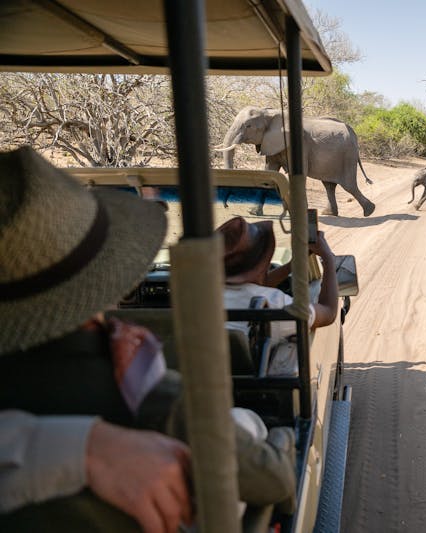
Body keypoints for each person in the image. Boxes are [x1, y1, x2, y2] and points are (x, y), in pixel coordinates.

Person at [0, 146, 294, 533]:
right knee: (249, 423)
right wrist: (287, 436)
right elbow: (273, 480)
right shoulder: (146, 390)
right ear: (107, 280)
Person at [217, 216, 339, 341]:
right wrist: (328, 259)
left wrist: (292, 265)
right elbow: (329, 312)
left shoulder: (201, 297)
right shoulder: (273, 307)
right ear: (262, 262)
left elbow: (252, 286)